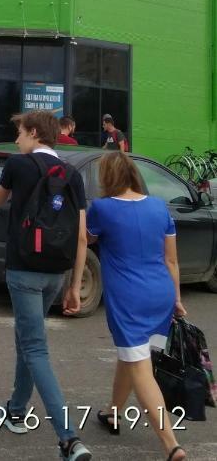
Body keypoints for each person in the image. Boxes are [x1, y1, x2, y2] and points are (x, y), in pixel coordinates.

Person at [0, 111, 93, 461]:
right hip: (56, 272)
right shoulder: (72, 174)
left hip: (23, 269)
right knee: (27, 338)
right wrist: (74, 285)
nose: (17, 140)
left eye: (19, 133)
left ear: (34, 133)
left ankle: (69, 438)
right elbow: (81, 236)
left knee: (35, 348)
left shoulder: (17, 166)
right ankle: (16, 411)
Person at [86, 151, 186, 460]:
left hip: (128, 298)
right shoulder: (159, 207)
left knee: (141, 367)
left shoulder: (102, 209)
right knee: (133, 356)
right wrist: (178, 299)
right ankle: (113, 412)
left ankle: (172, 445)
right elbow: (171, 260)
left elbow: (84, 240)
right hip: (161, 293)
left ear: (108, 178)